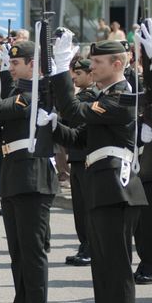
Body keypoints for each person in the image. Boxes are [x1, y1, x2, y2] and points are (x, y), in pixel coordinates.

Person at [50, 34, 147, 303]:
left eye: (97, 62)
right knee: (102, 270)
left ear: (118, 64)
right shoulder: (105, 96)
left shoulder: (123, 96)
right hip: (101, 186)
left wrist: (59, 67)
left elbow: (74, 110)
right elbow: (80, 139)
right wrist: (53, 126)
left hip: (117, 188)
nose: (92, 66)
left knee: (115, 272)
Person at [0, 40, 59, 303]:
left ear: (32, 65)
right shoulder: (18, 91)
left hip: (32, 178)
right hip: (15, 176)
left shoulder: (36, 91)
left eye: (15, 63)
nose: (10, 67)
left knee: (33, 255)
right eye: (8, 63)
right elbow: (1, 120)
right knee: (19, 255)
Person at [64, 58, 98, 266]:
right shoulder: (82, 96)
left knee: (87, 207)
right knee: (79, 207)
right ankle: (84, 245)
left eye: (79, 73)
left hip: (86, 157)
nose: (75, 77)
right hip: (77, 157)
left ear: (90, 74)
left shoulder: (90, 96)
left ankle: (90, 248)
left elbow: (73, 117)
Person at [133, 19, 152, 285]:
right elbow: (150, 98)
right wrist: (147, 123)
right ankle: (150, 260)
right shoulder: (149, 67)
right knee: (148, 204)